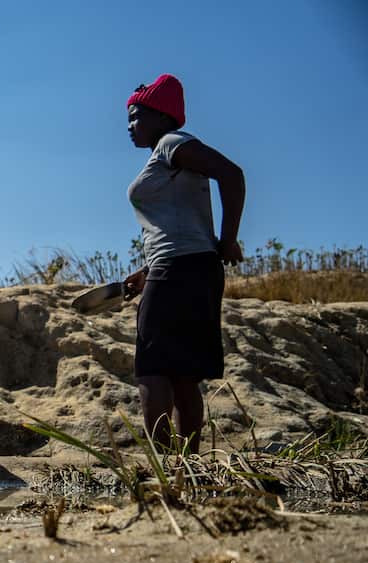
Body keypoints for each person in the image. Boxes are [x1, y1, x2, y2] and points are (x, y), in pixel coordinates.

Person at [121, 75, 246, 453]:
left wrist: (228, 238)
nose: (130, 125)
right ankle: (188, 467)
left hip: (179, 269)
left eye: (136, 116)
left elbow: (232, 174)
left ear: (161, 117)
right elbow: (180, 222)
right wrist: (147, 272)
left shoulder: (171, 144)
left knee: (153, 367)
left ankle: (164, 466)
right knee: (183, 375)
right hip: (192, 268)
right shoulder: (164, 156)